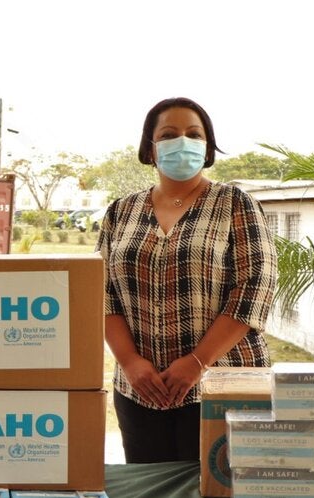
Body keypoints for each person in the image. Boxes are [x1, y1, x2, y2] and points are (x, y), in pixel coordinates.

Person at [95, 97, 277, 463]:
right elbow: (101, 293)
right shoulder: (121, 211)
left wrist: (197, 362)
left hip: (224, 387)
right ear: (150, 147)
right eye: (169, 134)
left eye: (194, 134)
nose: (183, 141)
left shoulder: (234, 203)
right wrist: (130, 362)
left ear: (207, 147)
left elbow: (256, 286)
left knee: (219, 489)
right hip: (140, 392)